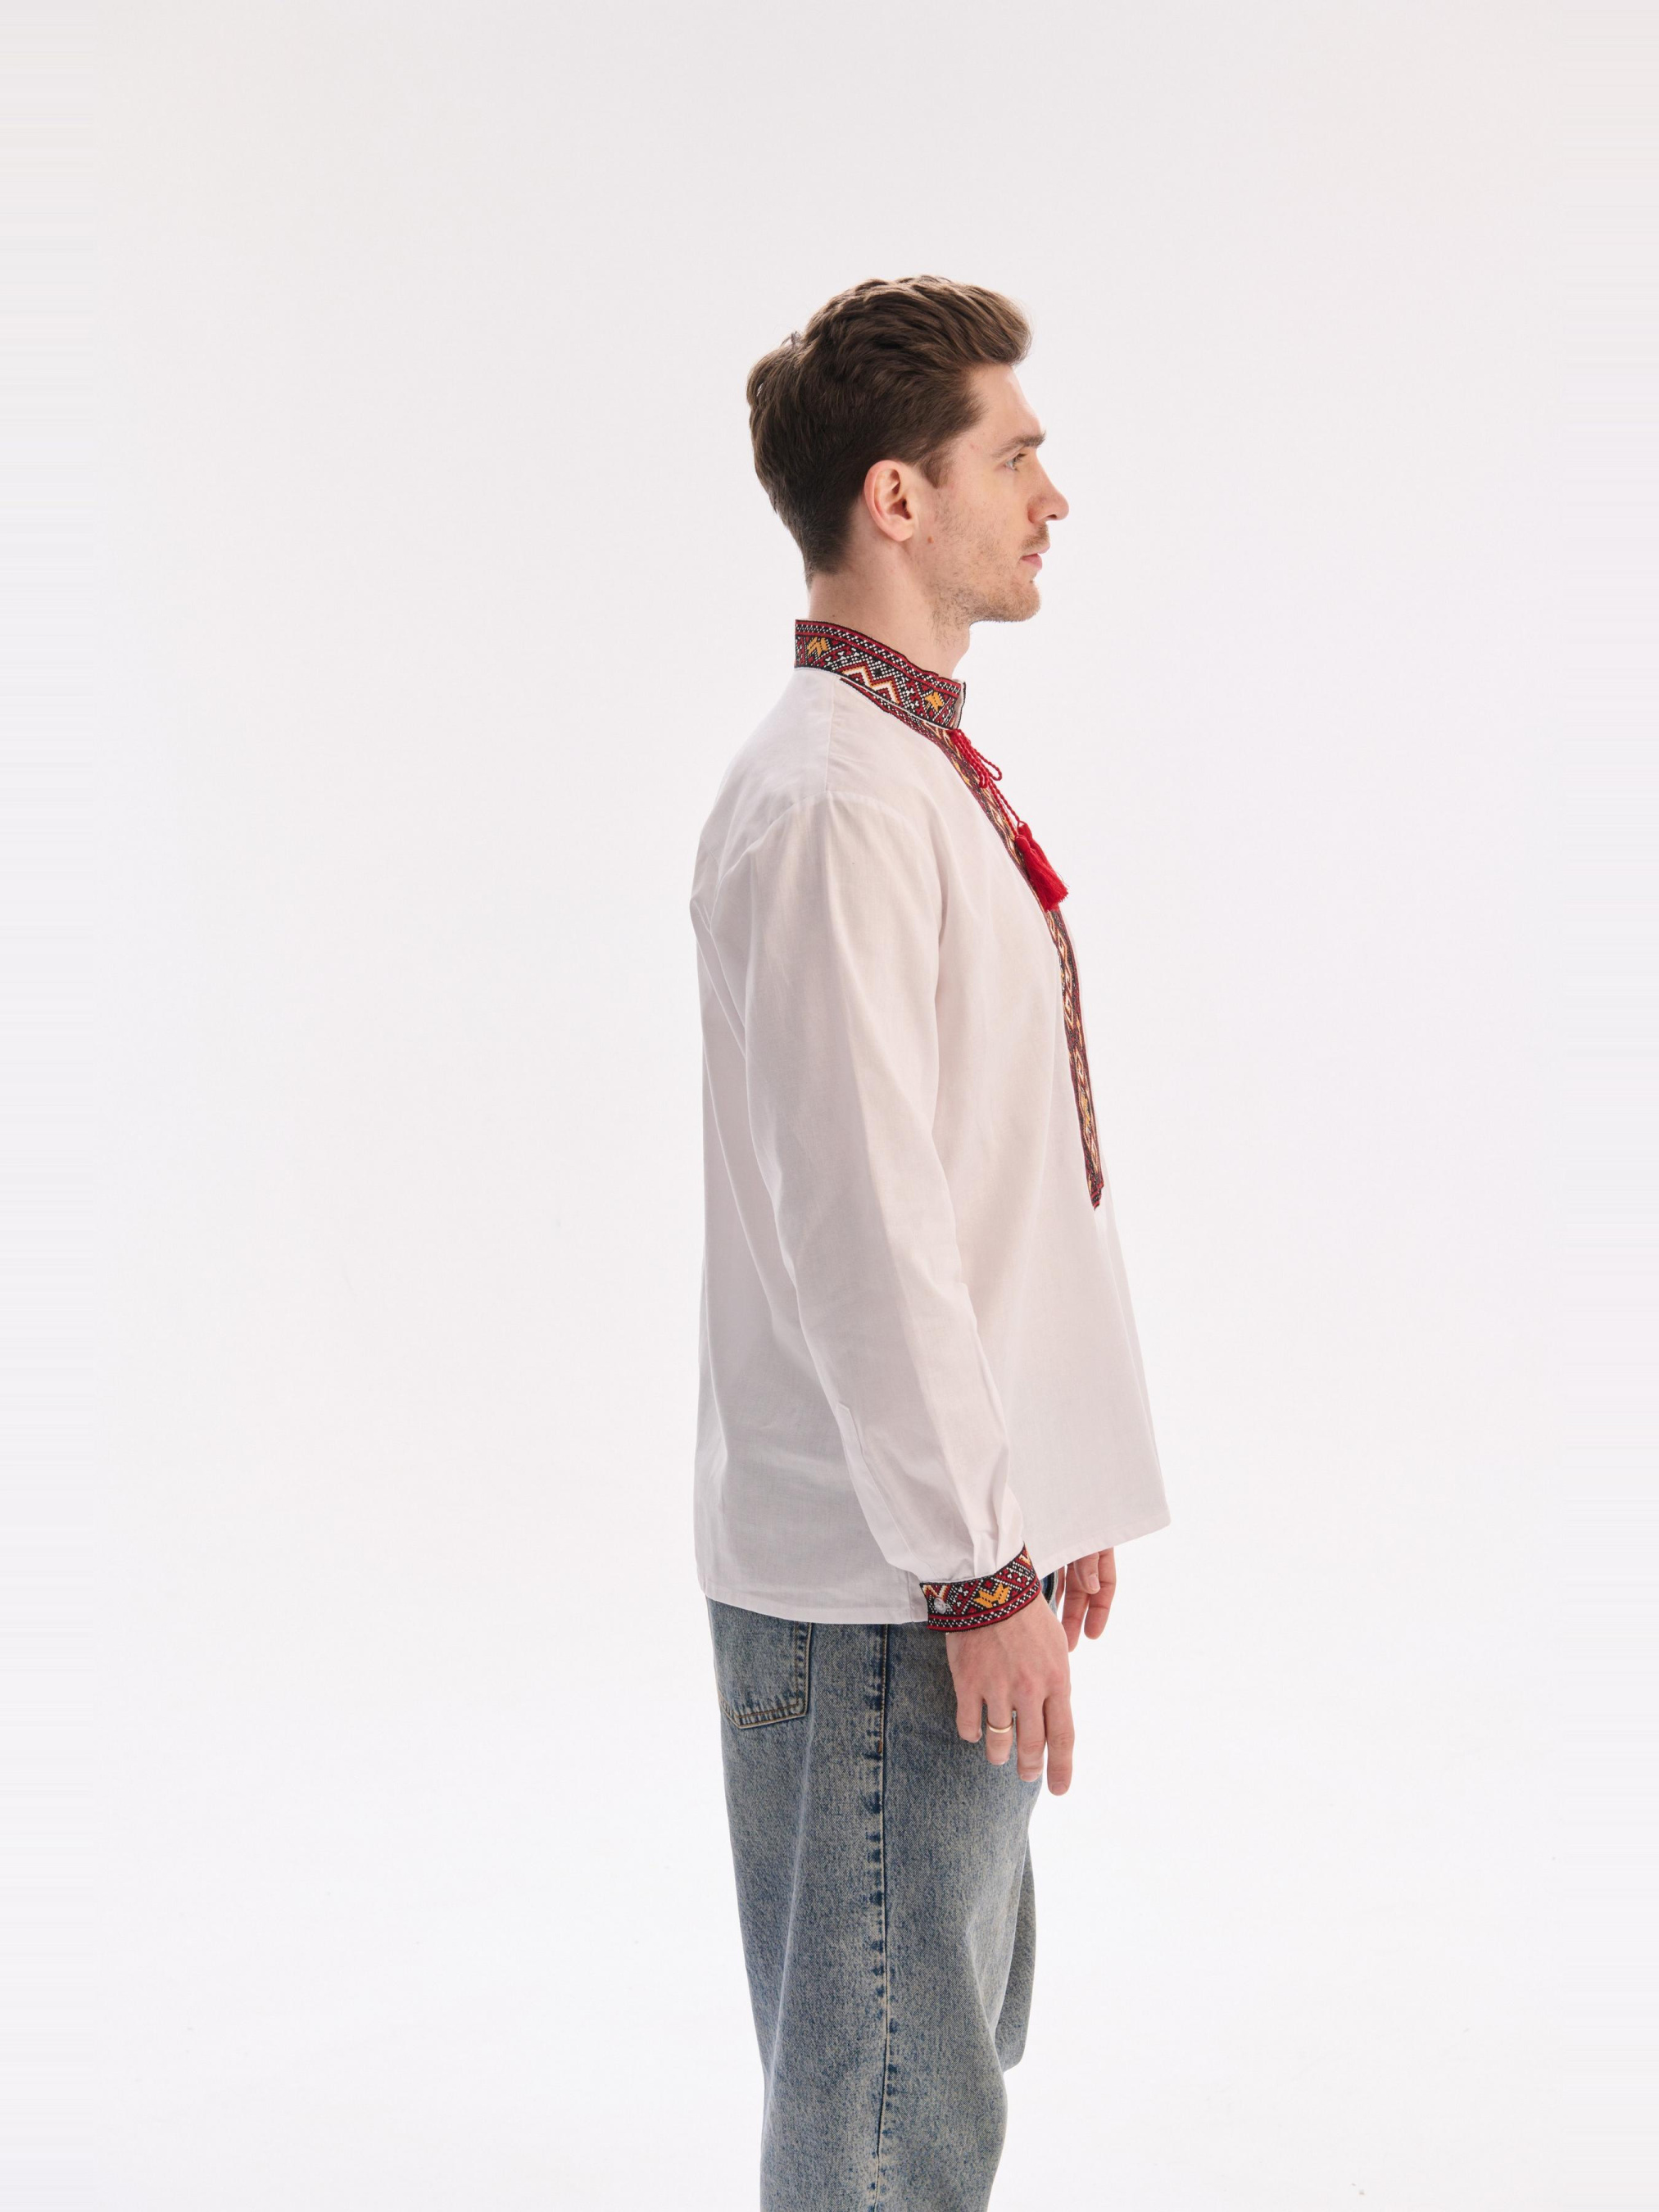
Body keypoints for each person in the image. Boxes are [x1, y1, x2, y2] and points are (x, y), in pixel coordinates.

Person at [687, 275, 1169, 2211]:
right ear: (897, 496)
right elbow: (864, 1233)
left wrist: (1043, 1492)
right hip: (885, 1587)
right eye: (1016, 456)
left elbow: (973, 1182)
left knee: (928, 2074)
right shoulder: (833, 801)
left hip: (931, 1562)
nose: (1052, 497)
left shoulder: (897, 776)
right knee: (886, 2126)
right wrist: (974, 1564)